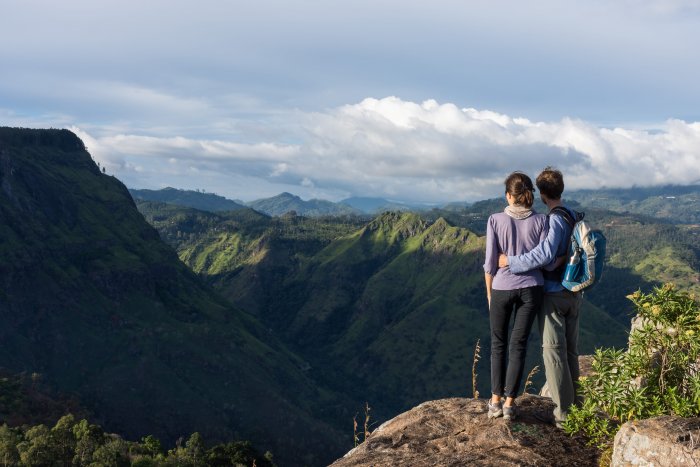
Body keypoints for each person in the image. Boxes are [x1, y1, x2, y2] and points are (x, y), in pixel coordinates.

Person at [498, 166, 581, 428]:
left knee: (553, 353)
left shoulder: (555, 219)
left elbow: (544, 256)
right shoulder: (572, 215)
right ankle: (577, 407)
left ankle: (564, 415)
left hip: (554, 294)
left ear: (543, 193)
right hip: (574, 293)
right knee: (570, 352)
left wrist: (510, 261)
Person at [484, 172, 547, 421]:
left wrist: (490, 294)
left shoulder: (495, 220)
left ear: (509, 195)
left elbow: (490, 263)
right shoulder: (542, 221)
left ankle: (495, 401)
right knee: (518, 345)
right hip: (532, 288)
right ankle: (510, 404)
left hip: (502, 287)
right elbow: (545, 259)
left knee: (498, 344)